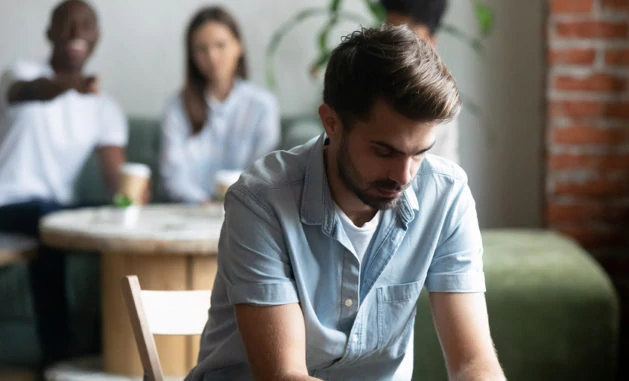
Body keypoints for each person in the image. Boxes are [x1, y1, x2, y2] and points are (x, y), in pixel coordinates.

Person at [186, 25, 504, 380]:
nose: (404, 176)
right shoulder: (262, 202)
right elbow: (282, 375)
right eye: (384, 151)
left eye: (420, 154)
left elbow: (473, 362)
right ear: (332, 122)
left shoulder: (445, 195)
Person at [0, 0, 128, 366]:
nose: (76, 33)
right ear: (49, 33)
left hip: (53, 212)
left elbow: (115, 174)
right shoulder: (19, 74)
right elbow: (30, 91)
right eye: (67, 24)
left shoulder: (103, 107)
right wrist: (72, 84)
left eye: (85, 25)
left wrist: (129, 194)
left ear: (96, 36)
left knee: (109, 227)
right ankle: (57, 357)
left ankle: (99, 348)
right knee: (49, 223)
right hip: (7, 204)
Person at [160, 6, 280, 204]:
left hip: (247, 209)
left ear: (238, 46)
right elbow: (172, 175)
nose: (212, 57)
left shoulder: (262, 105)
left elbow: (263, 171)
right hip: (191, 211)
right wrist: (202, 202)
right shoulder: (177, 106)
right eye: (201, 49)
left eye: (220, 45)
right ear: (192, 56)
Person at [381, 0, 460, 164]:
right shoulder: (364, 83)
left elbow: (447, 173)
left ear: (431, 42)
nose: (395, 47)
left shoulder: (440, 102)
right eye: (389, 32)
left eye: (408, 37)